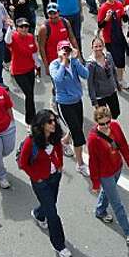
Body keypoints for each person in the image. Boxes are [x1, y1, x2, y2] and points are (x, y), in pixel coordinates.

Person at [17, 110, 73, 257]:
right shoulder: (31, 141)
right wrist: (37, 177)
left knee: (50, 204)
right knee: (53, 215)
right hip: (41, 181)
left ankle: (38, 214)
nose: (54, 124)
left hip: (55, 176)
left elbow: (59, 148)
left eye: (54, 120)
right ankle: (59, 245)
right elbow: (23, 163)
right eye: (50, 122)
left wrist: (60, 164)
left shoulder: (54, 136)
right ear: (41, 125)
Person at [87, 105, 129, 245]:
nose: (105, 126)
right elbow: (93, 162)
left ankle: (100, 210)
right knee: (117, 204)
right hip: (105, 173)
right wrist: (95, 183)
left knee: (109, 192)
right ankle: (128, 232)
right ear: (96, 122)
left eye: (107, 122)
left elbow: (123, 145)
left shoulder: (115, 126)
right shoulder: (93, 139)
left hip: (117, 167)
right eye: (101, 123)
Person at [50, 41, 90, 176]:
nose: (66, 52)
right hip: (64, 104)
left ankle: (64, 141)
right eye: (63, 50)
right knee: (78, 134)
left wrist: (76, 58)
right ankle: (80, 164)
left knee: (77, 127)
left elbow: (86, 74)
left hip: (77, 101)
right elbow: (58, 79)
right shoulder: (54, 65)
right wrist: (63, 62)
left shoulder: (73, 63)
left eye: (67, 49)